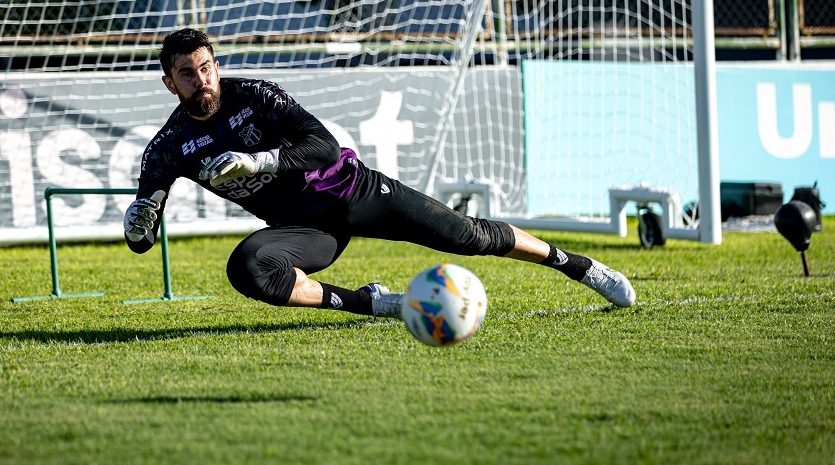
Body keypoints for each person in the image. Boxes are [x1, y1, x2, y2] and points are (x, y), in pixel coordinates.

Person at [124, 28, 635, 318]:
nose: (202, 80)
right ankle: (370, 303)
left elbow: (323, 147)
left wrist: (261, 161)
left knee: (467, 236)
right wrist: (139, 224)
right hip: (307, 230)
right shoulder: (168, 149)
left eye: (206, 67)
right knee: (248, 268)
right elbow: (144, 235)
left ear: (216, 64)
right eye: (187, 74)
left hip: (354, 193)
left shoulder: (256, 95)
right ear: (169, 83)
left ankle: (581, 267)